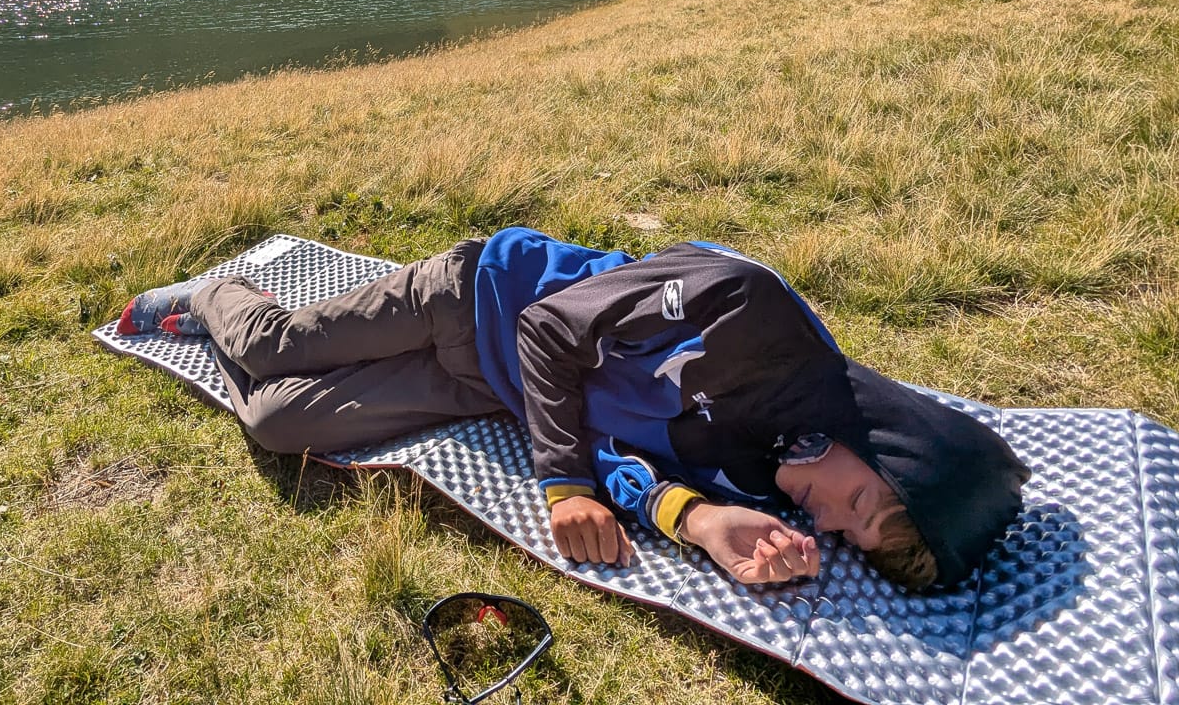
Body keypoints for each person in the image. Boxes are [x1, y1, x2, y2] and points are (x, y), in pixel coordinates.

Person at [116, 227, 1030, 589]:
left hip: (491, 388)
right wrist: (563, 484)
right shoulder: (754, 310)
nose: (825, 521)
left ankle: (221, 335)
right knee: (275, 350)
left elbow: (627, 458)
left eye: (845, 536)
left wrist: (698, 519)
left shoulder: (768, 478)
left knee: (278, 424)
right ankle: (222, 297)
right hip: (476, 296)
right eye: (859, 502)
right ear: (890, 443)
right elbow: (551, 326)